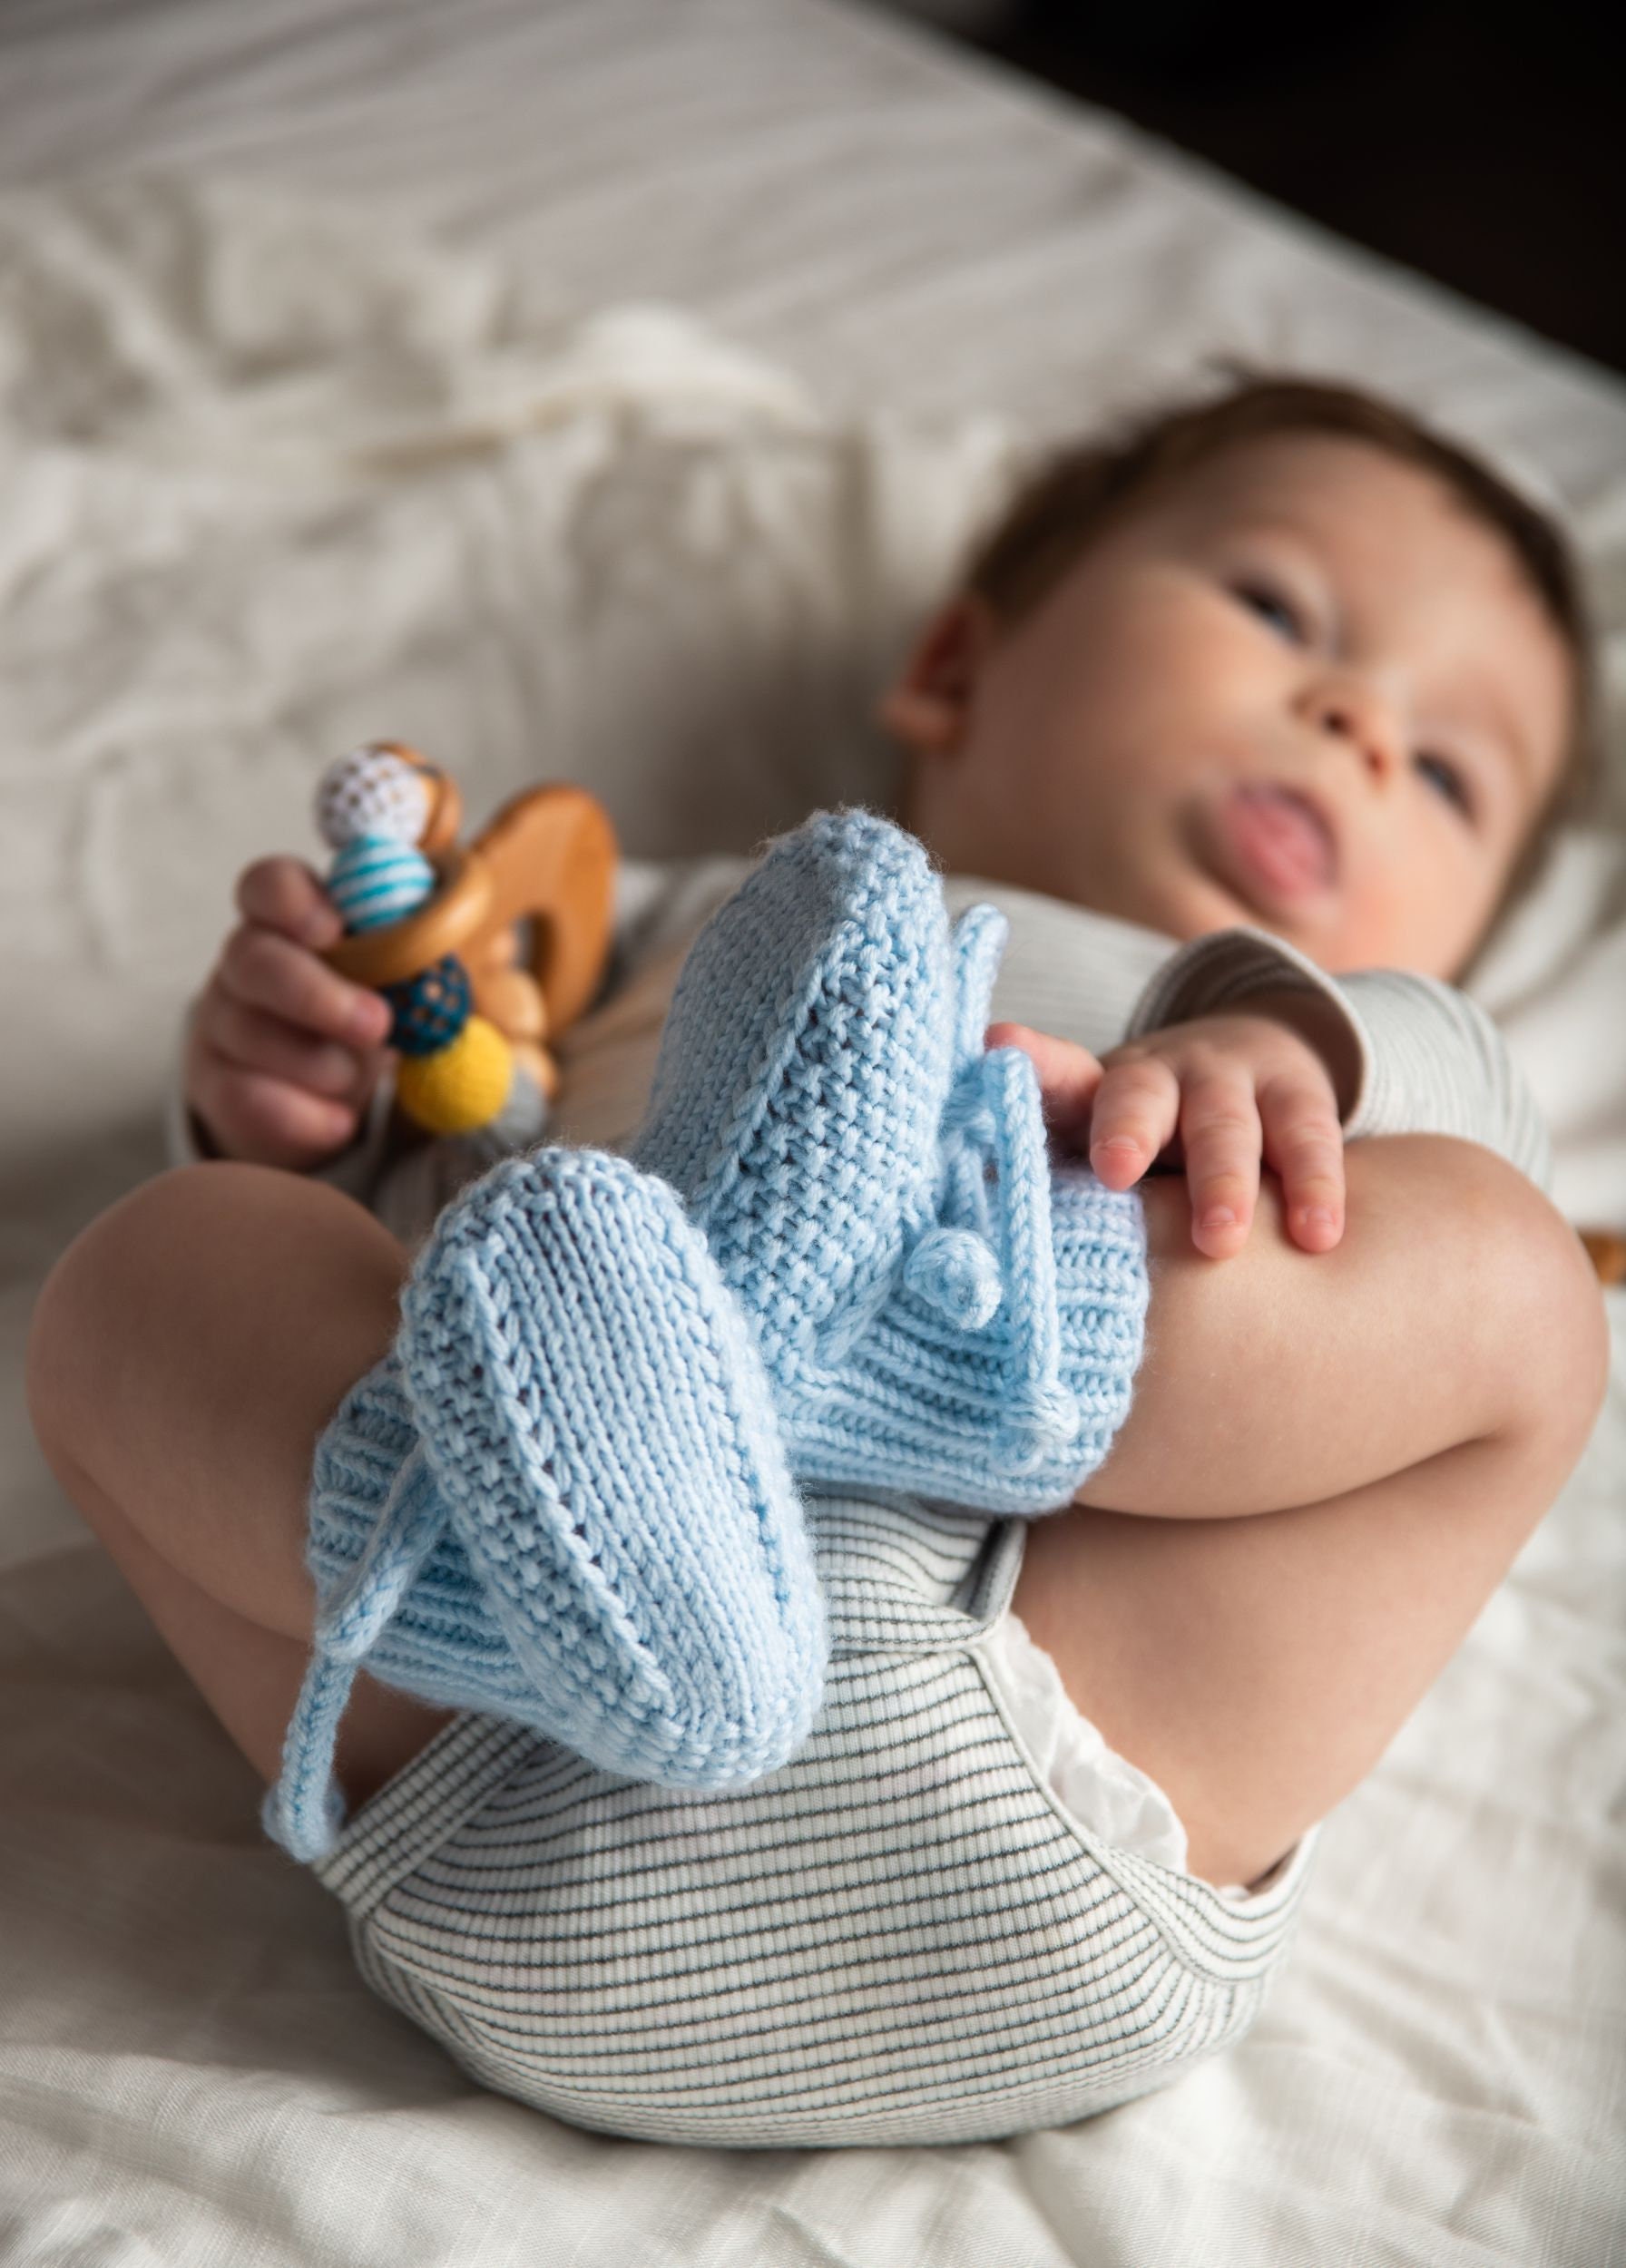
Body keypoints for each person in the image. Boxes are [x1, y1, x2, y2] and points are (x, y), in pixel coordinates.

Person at [24, 374, 1611, 2148]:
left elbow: (1450, 1121)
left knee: (1510, 1282)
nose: (1357, 725)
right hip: (533, 1716)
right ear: (954, 666)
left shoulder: (1343, 1049)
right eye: (1271, 607)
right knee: (154, 1267)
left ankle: (848, 1330)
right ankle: (547, 1543)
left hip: (1080, 1714)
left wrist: (1273, 1047)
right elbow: (478, 1193)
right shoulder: (679, 915)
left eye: (1449, 769)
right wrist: (296, 1099)